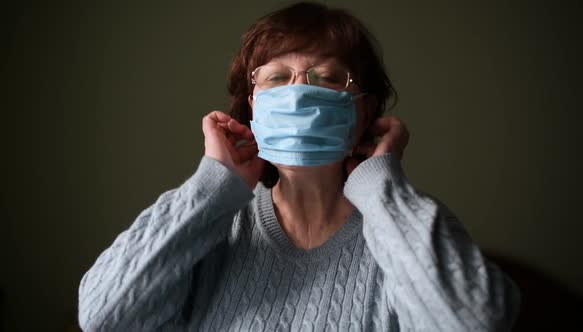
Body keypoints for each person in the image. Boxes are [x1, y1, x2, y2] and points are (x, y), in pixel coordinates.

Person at [78, 2, 520, 331]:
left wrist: (383, 187)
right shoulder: (212, 230)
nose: (299, 93)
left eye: (328, 78)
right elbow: (104, 316)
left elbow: (476, 323)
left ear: (364, 112)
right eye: (275, 77)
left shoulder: (404, 229)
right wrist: (212, 186)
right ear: (252, 106)